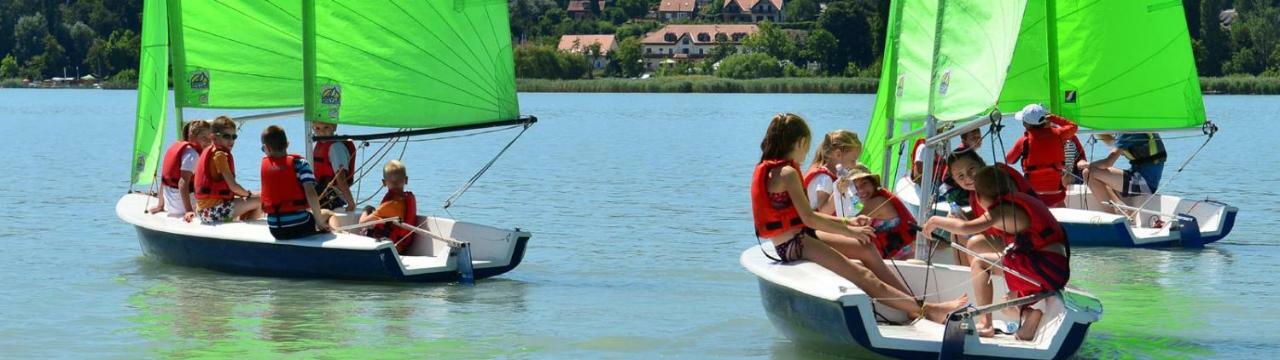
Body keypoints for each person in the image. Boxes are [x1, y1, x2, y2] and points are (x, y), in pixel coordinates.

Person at [751, 113, 967, 323]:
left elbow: (805, 218)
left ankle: (911, 305)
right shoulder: (786, 172)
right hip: (794, 244)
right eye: (806, 146)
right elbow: (809, 219)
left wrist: (849, 222)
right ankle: (927, 310)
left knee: (865, 246)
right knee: (862, 274)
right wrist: (849, 230)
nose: (807, 153)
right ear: (801, 142)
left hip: (798, 238)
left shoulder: (772, 169)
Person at [922, 166, 1070, 340]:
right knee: (1007, 305)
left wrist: (933, 221)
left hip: (1043, 267)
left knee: (979, 263)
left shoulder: (1001, 211)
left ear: (979, 196)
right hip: (1055, 270)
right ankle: (1029, 315)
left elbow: (965, 228)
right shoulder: (1020, 200)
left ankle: (986, 324)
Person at [942, 150, 1037, 265]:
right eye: (961, 176)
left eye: (971, 169)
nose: (968, 177)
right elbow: (984, 213)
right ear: (956, 181)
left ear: (980, 162)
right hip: (1007, 241)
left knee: (975, 243)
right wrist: (963, 215)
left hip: (1030, 243)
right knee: (956, 229)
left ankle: (977, 275)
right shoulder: (976, 191)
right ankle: (964, 274)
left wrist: (935, 222)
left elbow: (1002, 213)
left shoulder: (997, 178)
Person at [260, 125, 333, 239]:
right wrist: (319, 222)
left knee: (310, 215)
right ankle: (332, 232)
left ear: (266, 148)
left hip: (274, 229)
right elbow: (311, 193)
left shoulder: (265, 166)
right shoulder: (300, 164)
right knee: (328, 213)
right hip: (299, 225)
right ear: (287, 144)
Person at [1005, 104, 1078, 207]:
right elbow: (1073, 126)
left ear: (1025, 124)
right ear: (1044, 120)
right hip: (1056, 192)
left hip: (1033, 194)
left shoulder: (1024, 141)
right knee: (1060, 202)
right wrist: (1053, 117)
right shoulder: (1059, 134)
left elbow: (1009, 160)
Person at [194, 116, 262, 223]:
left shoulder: (210, 150)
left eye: (234, 136)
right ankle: (247, 233)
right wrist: (250, 195)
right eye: (226, 136)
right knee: (260, 201)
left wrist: (250, 194)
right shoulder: (220, 155)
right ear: (213, 137)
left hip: (204, 210)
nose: (231, 140)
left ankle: (244, 223)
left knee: (253, 197)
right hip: (213, 211)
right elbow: (233, 187)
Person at [1082, 133, 1167, 215]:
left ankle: (1113, 216)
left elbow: (1107, 163)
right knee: (1100, 177)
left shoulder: (1126, 132)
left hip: (1145, 183)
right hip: (1142, 179)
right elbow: (1115, 144)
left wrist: (1085, 164)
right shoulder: (1129, 129)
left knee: (1088, 172)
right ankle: (1119, 207)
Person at [845, 165, 916, 260]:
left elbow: (851, 226)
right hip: (900, 258)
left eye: (864, 183)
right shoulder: (876, 199)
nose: (861, 190)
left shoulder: (877, 201)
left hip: (902, 260)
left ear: (873, 183)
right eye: (855, 187)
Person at [149, 120, 213, 221]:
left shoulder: (180, 148)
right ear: (193, 137)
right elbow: (182, 183)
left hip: (170, 202)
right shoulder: (192, 155)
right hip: (180, 205)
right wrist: (188, 210)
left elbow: (164, 180)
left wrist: (161, 205)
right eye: (204, 138)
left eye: (210, 139)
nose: (208, 142)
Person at [358, 160, 418, 254]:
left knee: (369, 209)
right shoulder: (407, 199)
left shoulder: (389, 205)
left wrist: (366, 210)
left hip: (391, 247)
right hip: (402, 245)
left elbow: (361, 223)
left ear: (384, 182)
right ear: (406, 180)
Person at [803, 129, 862, 216]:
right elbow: (823, 212)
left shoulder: (832, 174)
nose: (854, 165)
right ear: (838, 154)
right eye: (853, 160)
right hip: (816, 227)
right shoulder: (824, 179)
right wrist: (838, 190)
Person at [311, 122, 357, 212]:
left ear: (334, 127)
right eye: (317, 128)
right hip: (321, 191)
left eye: (326, 127)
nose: (322, 132)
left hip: (334, 196)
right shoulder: (320, 145)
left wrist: (351, 203)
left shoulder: (336, 148)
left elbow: (341, 178)